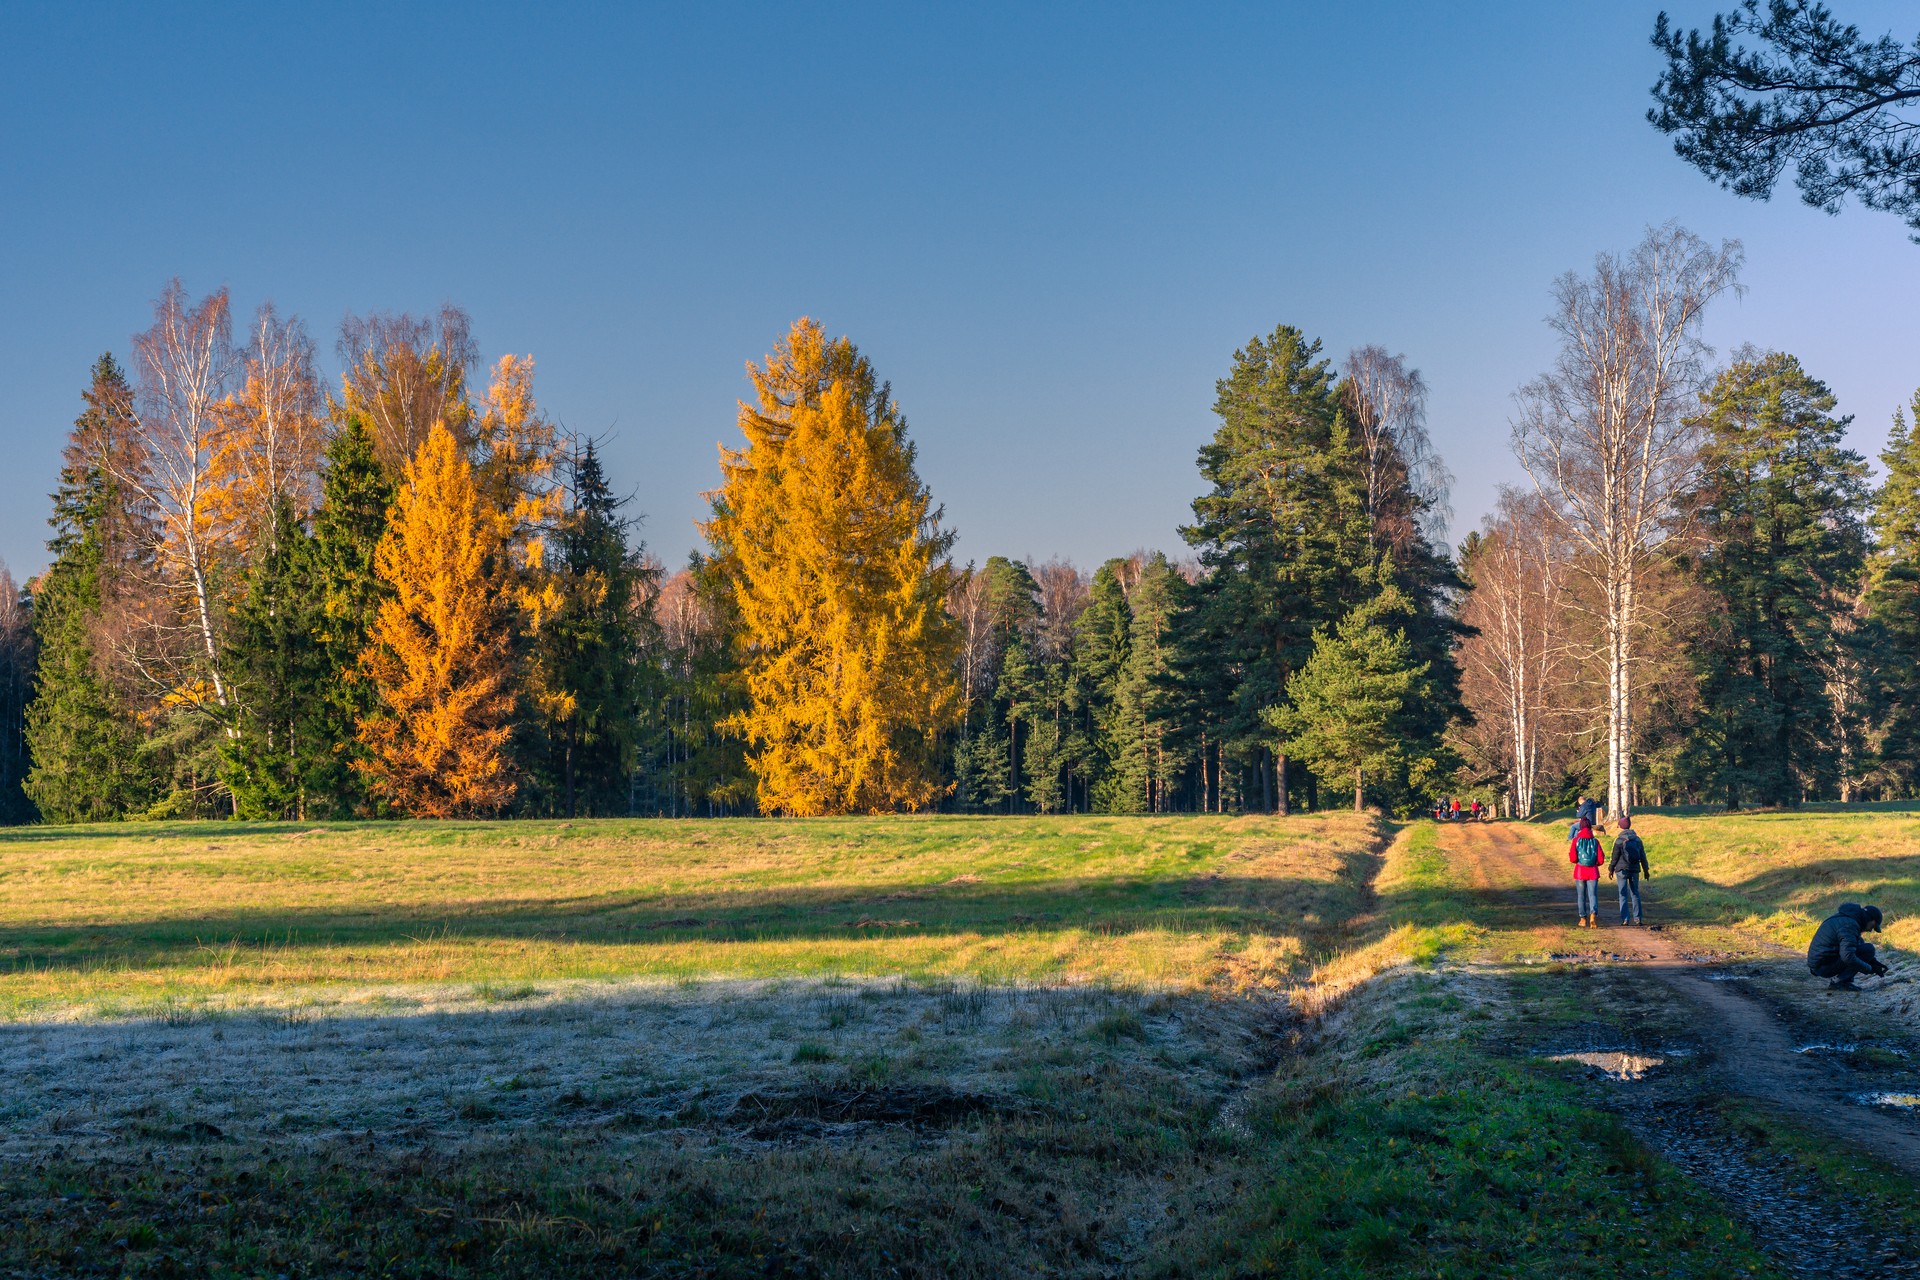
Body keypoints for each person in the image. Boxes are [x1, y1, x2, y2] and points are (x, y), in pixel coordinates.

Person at [1807, 903, 1888, 992]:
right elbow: (1848, 957)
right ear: (1870, 920)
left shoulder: (1847, 919)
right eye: (1873, 927)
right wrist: (1869, 969)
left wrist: (1873, 962)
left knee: (1865, 948)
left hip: (1820, 962)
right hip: (1822, 966)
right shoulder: (1849, 925)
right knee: (1869, 949)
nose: (1870, 930)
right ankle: (1840, 982)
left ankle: (1843, 980)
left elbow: (1857, 945)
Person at [1608, 816, 1650, 926]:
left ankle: (1625, 919)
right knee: (1635, 893)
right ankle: (1638, 918)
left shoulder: (1619, 840)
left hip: (1621, 870)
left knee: (1623, 894)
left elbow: (1615, 857)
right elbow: (1643, 856)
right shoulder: (1637, 840)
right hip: (1634, 869)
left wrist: (1611, 869)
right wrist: (1646, 870)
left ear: (1621, 826)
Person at [1569, 820, 1604, 928]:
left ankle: (1583, 918)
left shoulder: (1576, 840)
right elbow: (1601, 859)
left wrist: (1578, 862)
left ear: (1580, 827)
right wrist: (1595, 864)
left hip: (1580, 871)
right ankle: (1593, 916)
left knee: (1581, 896)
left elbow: (1573, 858)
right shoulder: (1595, 841)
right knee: (1592, 895)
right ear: (1590, 827)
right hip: (1593, 871)